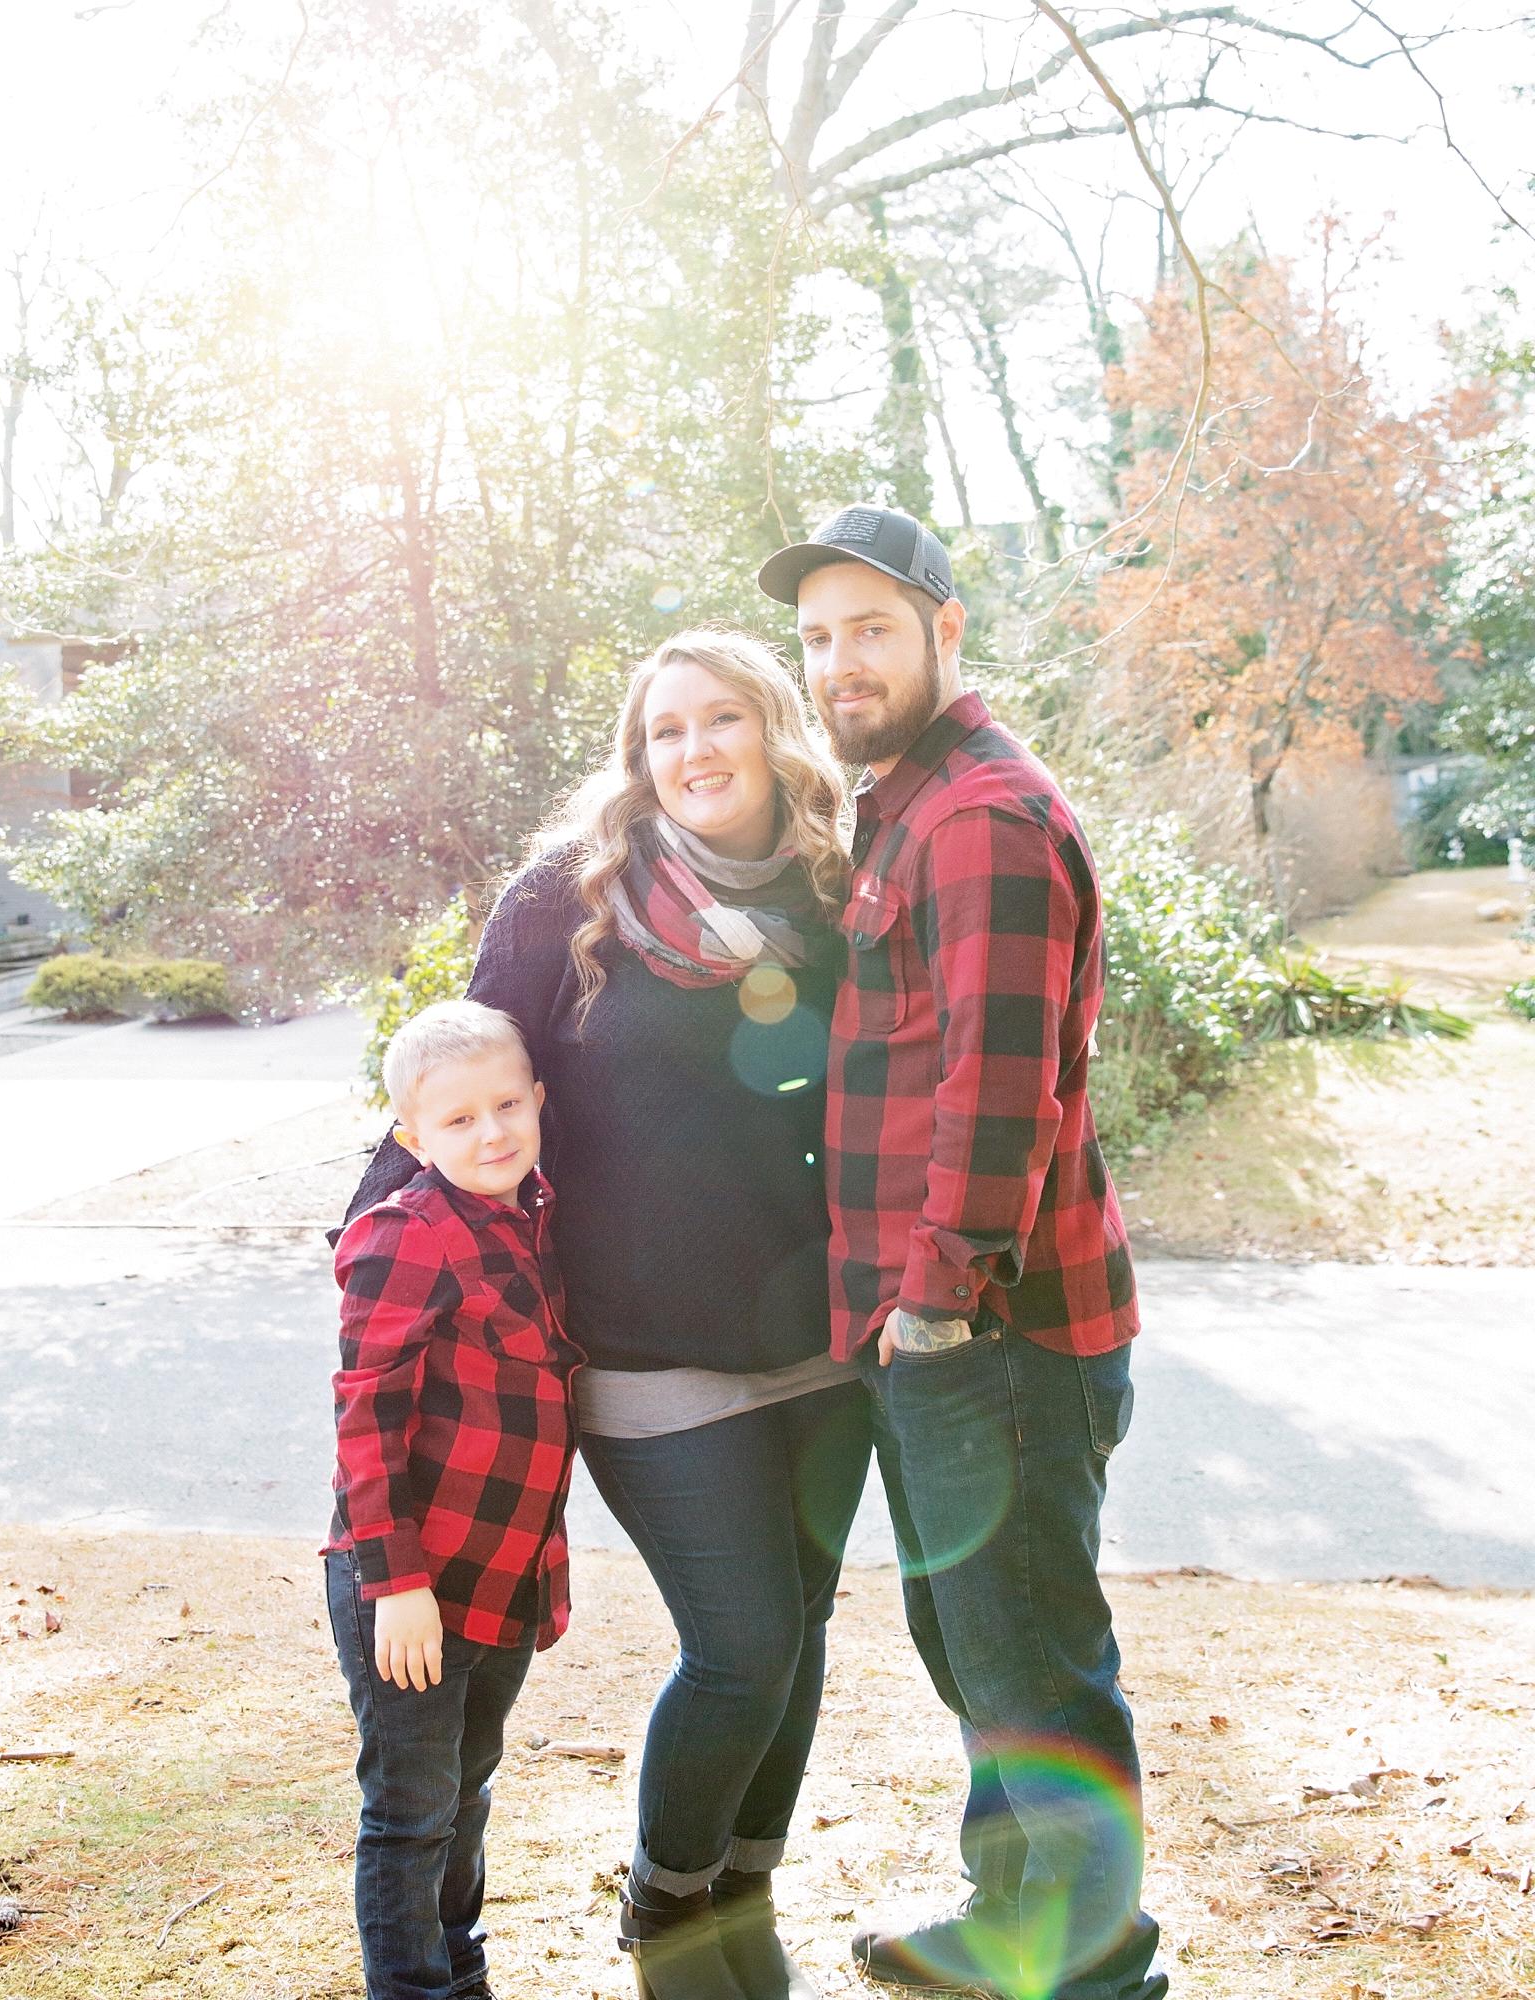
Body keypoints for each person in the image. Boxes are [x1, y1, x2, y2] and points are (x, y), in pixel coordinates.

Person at [345, 631, 872, 2000]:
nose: (694, 750)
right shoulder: (565, 898)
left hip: (822, 1342)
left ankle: (745, 1888)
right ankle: (668, 1903)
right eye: (664, 729)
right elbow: (456, 1088)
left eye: (722, 718)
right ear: (638, 757)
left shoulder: (836, 889)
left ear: (774, 731)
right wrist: (376, 1251)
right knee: (741, 1646)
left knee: (802, 1638)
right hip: (641, 1349)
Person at [757, 508, 1167, 2000]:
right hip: (943, 1330)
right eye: (818, 637)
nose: (840, 662)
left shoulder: (982, 815)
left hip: (993, 1333)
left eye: (871, 628)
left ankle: (1094, 1968)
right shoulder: (907, 802)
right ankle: (1013, 1926)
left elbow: (1000, 1092)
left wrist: (932, 1308)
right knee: (978, 1648)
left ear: (945, 630)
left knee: (1032, 1662)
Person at [325, 999, 583, 2000]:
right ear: (412, 1137)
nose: (492, 1133)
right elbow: (365, 1420)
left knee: (466, 1791)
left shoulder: (535, 1213)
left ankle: (459, 1970)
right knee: (410, 1809)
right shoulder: (405, 1235)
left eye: (507, 1105)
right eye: (459, 1119)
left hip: (501, 1571)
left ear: (539, 1099)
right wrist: (396, 1584)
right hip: (409, 1582)